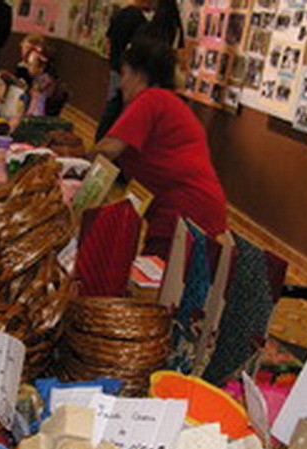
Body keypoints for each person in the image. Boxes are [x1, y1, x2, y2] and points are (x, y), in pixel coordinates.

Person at [92, 37, 227, 260]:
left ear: (140, 75)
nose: (122, 83)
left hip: (185, 214)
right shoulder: (167, 101)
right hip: (196, 211)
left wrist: (71, 163)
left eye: (124, 74)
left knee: (157, 288)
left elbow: (108, 150)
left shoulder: (150, 100)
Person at [95, 0, 151, 140]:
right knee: (117, 105)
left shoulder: (119, 14)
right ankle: (107, 138)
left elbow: (108, 40)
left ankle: (101, 138)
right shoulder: (140, 20)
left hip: (115, 65)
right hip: (127, 69)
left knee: (112, 102)